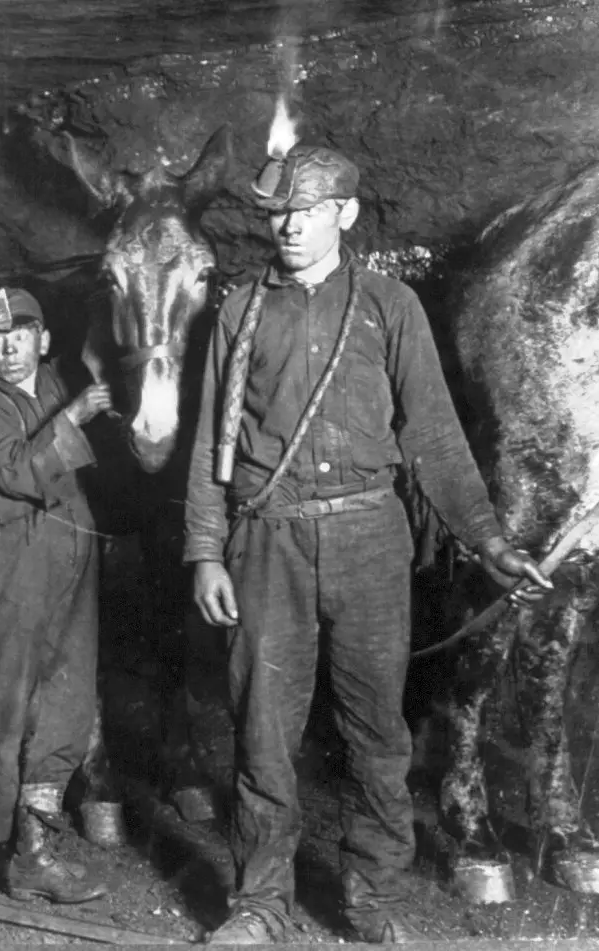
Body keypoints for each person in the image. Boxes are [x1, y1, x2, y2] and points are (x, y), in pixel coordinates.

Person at [184, 143, 552, 944]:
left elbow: (435, 437)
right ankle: (257, 903)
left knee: (375, 732)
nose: (289, 227)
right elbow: (209, 440)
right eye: (278, 213)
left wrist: (485, 538)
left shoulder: (389, 306)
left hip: (366, 536)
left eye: (308, 212)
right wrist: (204, 551)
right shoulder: (239, 310)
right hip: (266, 539)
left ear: (344, 215)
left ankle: (372, 899)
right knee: (262, 729)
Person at [0, 286, 113, 904]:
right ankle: (19, 858)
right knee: (10, 712)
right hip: (11, 561)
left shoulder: (51, 381)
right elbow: (15, 474)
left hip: (73, 552)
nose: (10, 348)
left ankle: (37, 842)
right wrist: (73, 418)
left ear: (45, 341)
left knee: (68, 697)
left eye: (22, 335)